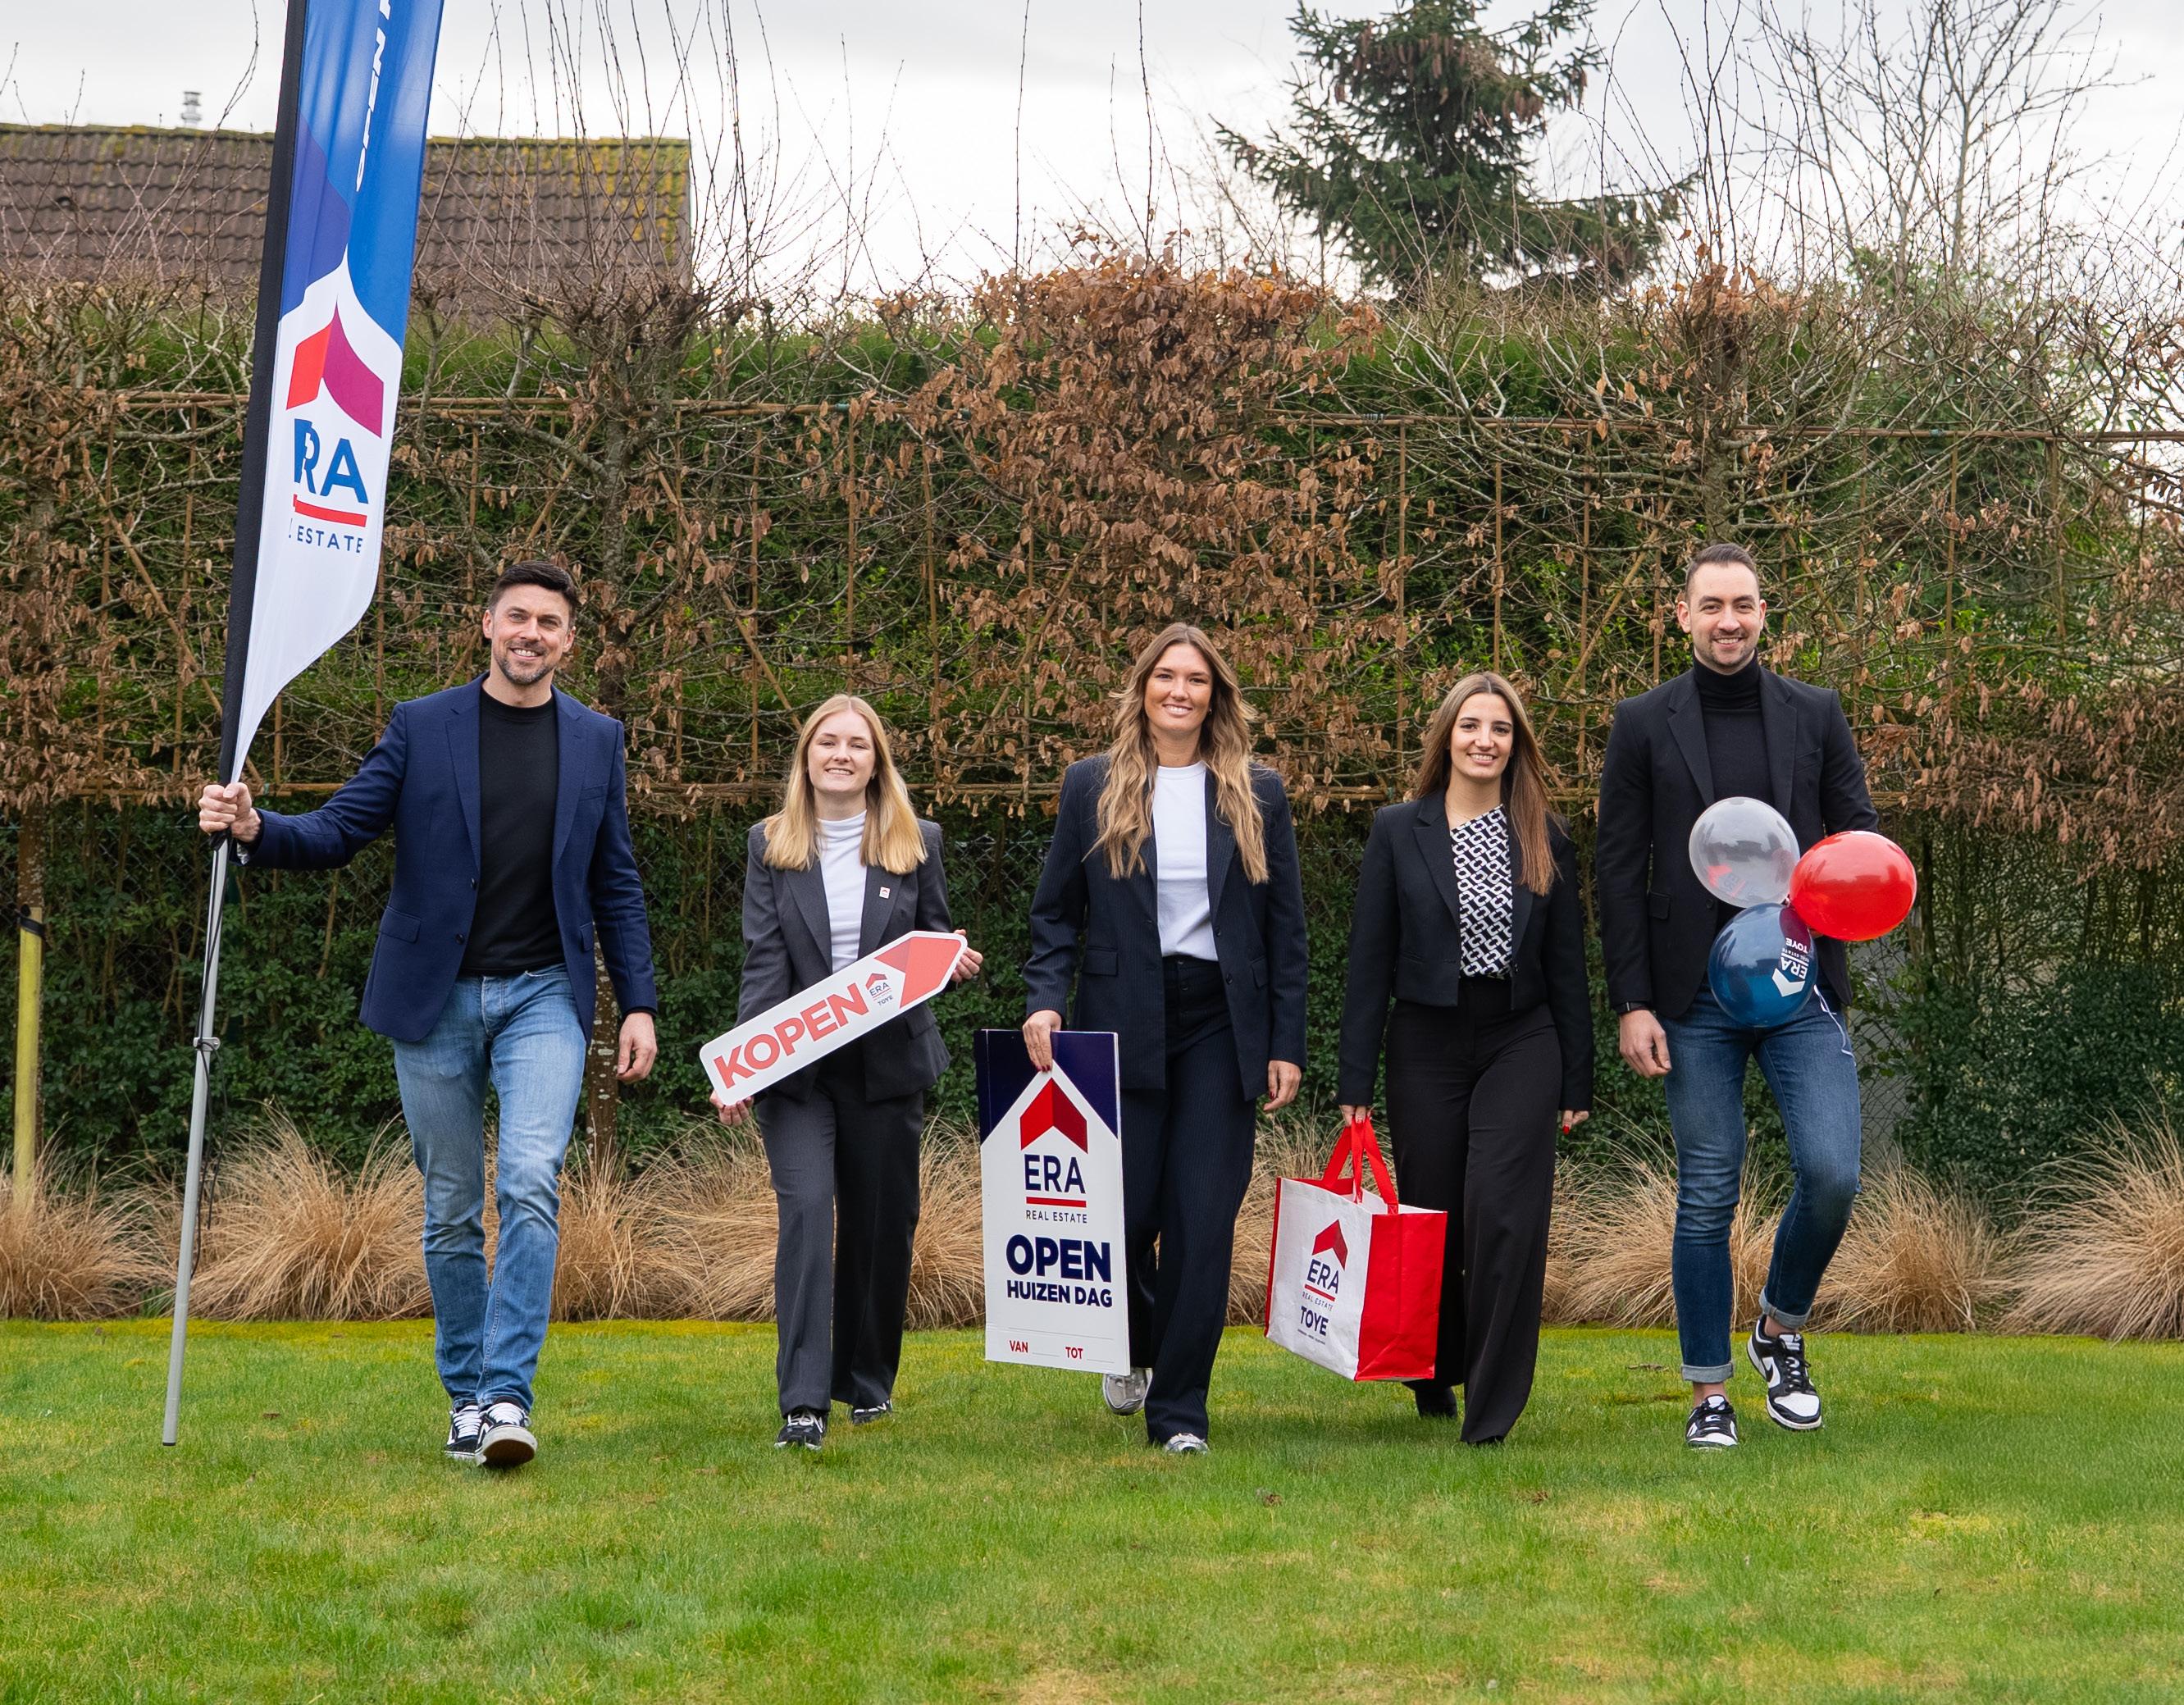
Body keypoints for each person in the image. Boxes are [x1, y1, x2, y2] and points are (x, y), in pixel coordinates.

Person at [195, 559, 659, 1470]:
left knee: (529, 1179)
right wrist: (254, 827)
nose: (530, 634)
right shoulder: (421, 724)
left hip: (544, 996)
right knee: (450, 1208)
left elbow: (616, 881)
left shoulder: (597, 739)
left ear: (569, 641)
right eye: (516, 617)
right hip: (434, 998)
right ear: (487, 625)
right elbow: (339, 830)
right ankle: (465, 1398)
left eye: (549, 623)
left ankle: (507, 1395)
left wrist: (636, 1002)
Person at [1595, 541, 1879, 1449]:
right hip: (1690, 996)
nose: (1728, 621)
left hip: (1797, 981)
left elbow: (1856, 835)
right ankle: (1707, 1392)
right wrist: (1631, 1001)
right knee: (1708, 1190)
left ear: (1763, 613)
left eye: (1743, 605)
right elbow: (1616, 869)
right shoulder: (1642, 722)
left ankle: (1778, 1330)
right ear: (1681, 615)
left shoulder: (1814, 712)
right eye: (1711, 605)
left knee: (1832, 1173)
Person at [1024, 622, 1308, 1455]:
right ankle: (1134, 1342)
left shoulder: (1256, 792)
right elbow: (1054, 914)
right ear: (1142, 688)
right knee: (1122, 1217)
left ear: (1215, 696)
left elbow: (1285, 930)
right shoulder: (1091, 784)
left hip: (1222, 1022)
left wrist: (1284, 1042)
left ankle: (1179, 1411)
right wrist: (1045, 1002)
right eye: (1165, 677)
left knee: (1201, 1222)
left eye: (1196, 680)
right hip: (1121, 1019)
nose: (1179, 691)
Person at [712, 695, 982, 1452]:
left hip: (888, 1067)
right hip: (797, 1074)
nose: (841, 754)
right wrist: (743, 1064)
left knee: (880, 1224)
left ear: (876, 761)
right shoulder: (770, 843)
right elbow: (763, 961)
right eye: (827, 741)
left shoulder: (917, 840)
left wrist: (950, 960)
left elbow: (931, 939)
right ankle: (802, 1403)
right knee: (806, 1212)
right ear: (806, 757)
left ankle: (866, 1380)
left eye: (856, 744)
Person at [1336, 672, 1594, 1444]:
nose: (1485, 740)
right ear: (1446, 735)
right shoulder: (1397, 829)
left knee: (1505, 1215)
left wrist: (1575, 1077)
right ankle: (1432, 1368)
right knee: (1436, 1215)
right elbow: (1368, 960)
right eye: (1471, 725)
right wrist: (1354, 1078)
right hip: (1426, 1041)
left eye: (1501, 729)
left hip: (1522, 1037)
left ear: (1517, 745)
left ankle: (1490, 1408)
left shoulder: (1545, 835)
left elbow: (1567, 964)